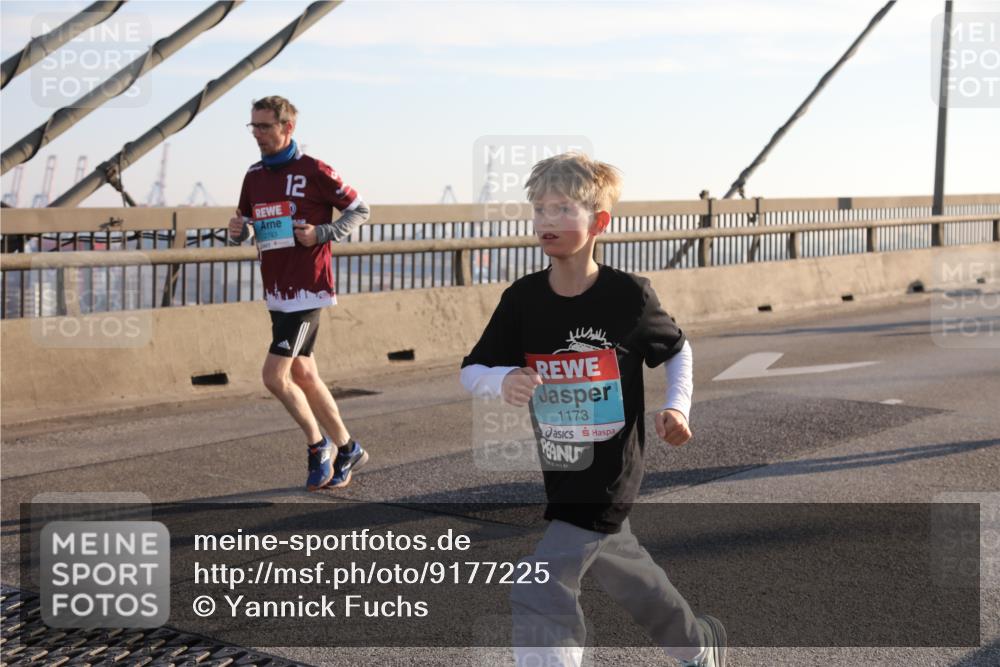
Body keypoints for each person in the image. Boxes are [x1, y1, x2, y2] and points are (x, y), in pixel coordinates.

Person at [459, 153, 726, 667]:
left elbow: (676, 350)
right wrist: (502, 379)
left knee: (541, 583)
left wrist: (678, 407)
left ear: (599, 222)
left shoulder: (628, 296)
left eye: (562, 209)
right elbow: (472, 370)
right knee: (627, 571)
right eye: (539, 209)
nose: (546, 220)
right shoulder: (523, 300)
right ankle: (697, 647)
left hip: (610, 471)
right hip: (561, 466)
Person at [229, 95, 370, 491]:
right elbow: (250, 226)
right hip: (276, 289)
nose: (257, 134)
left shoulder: (314, 170)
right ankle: (348, 447)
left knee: (274, 376)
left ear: (287, 127)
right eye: (253, 126)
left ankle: (317, 445)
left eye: (264, 126)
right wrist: (239, 232)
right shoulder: (254, 176)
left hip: (309, 290)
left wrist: (322, 233)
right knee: (304, 373)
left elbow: (360, 209)